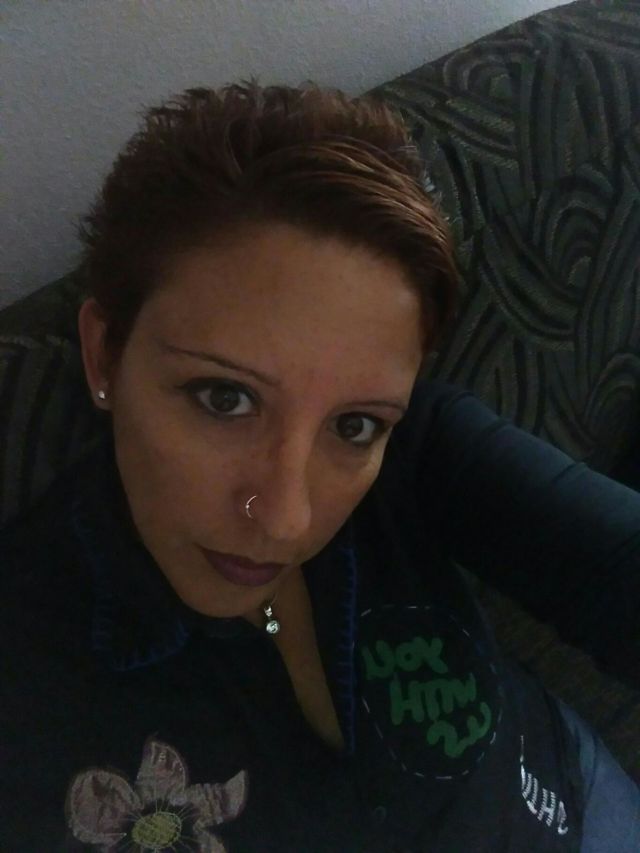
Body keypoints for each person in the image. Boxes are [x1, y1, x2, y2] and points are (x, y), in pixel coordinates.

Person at [0, 78, 638, 853]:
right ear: (105, 353)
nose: (286, 519)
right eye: (225, 398)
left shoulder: (417, 446)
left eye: (355, 425)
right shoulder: (27, 676)